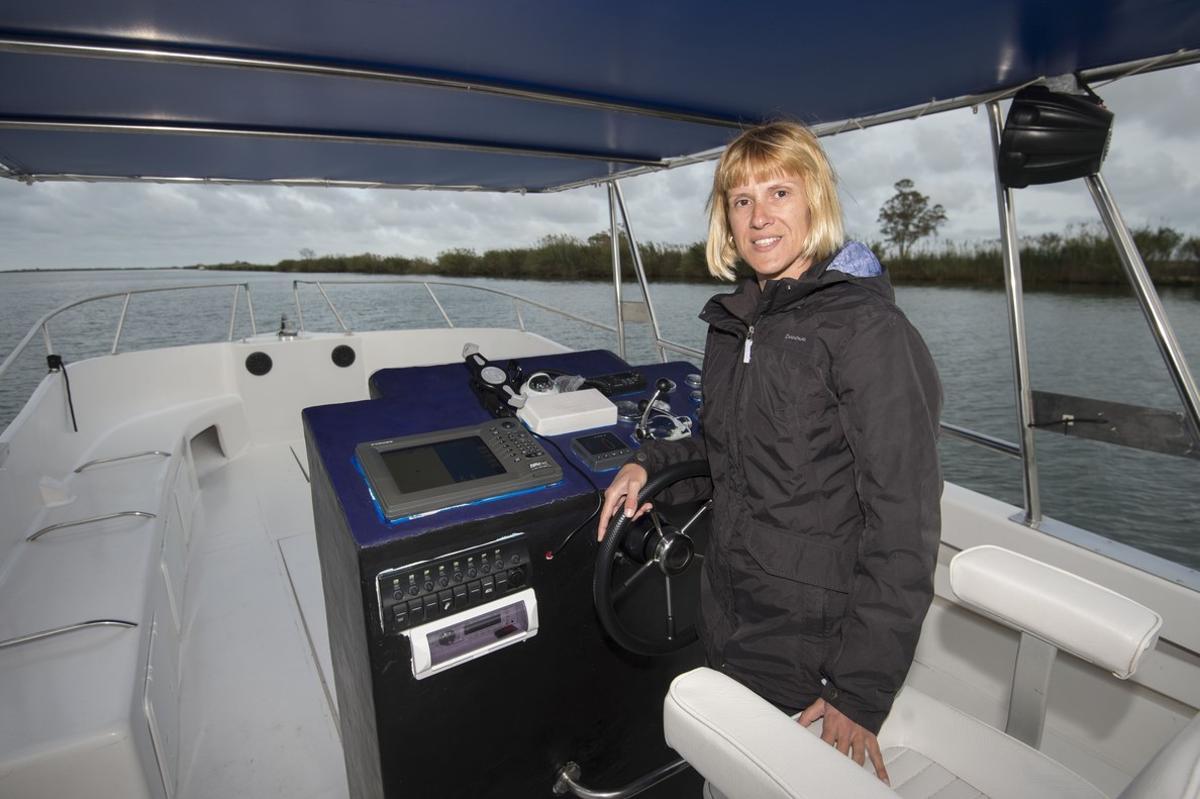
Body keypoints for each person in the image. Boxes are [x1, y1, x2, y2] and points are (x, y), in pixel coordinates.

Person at [597, 121, 942, 785]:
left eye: (780, 192)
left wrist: (857, 692)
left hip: (815, 647)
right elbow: (729, 452)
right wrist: (652, 466)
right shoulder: (735, 324)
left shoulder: (868, 330)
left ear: (815, 201)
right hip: (730, 616)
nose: (759, 217)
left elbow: (906, 525)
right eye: (741, 199)